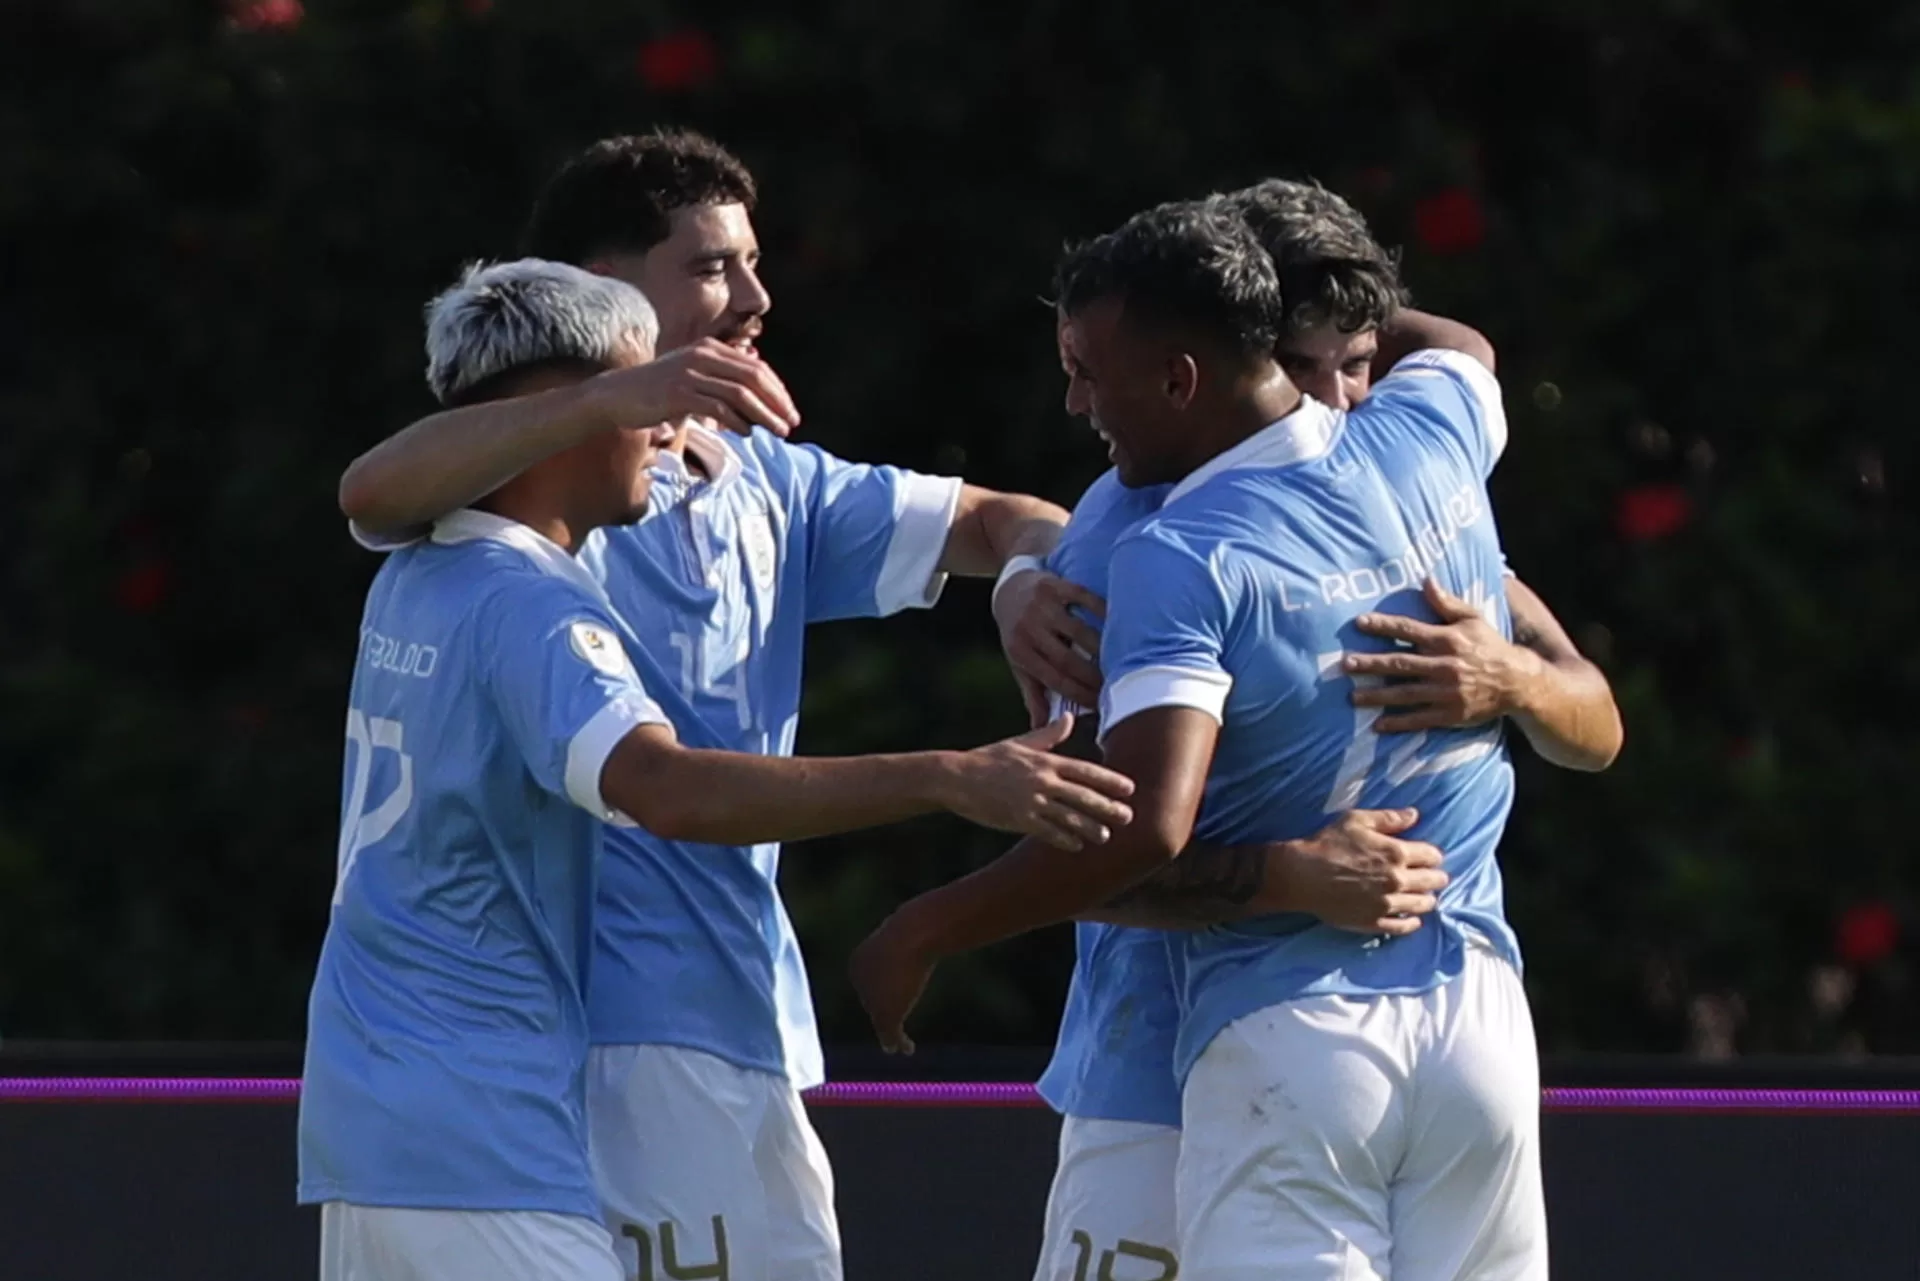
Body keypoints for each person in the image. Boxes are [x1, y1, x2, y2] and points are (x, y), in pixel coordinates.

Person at [330, 129, 1123, 1281]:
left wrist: (1020, 579)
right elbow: (372, 488)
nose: (753, 296)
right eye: (711, 267)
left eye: (751, 263)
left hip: (719, 1017)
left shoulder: (760, 478)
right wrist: (954, 775)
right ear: (603, 300)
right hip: (595, 1049)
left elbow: (1005, 516)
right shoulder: (510, 534)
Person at [851, 199, 1557, 1279]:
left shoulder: (1158, 549)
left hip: (1250, 1044)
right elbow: (1461, 349)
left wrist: (923, 929)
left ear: (1186, 373)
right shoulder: (1430, 439)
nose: (1076, 402)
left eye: (1092, 370)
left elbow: (1122, 833)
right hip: (1477, 1020)